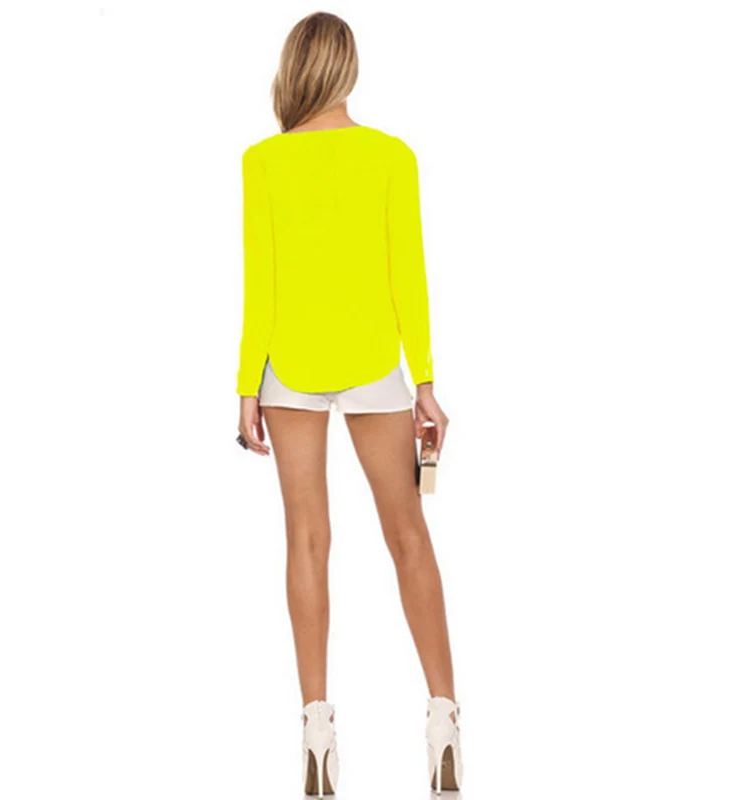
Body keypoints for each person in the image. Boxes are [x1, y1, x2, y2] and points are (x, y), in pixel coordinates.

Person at [235, 12, 462, 796]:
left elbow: (259, 283)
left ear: (296, 67)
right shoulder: (392, 156)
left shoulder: (263, 161)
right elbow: (410, 275)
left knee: (307, 540)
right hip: (373, 364)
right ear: (348, 68)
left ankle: (317, 734)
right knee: (408, 534)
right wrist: (424, 382)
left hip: (290, 366)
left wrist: (246, 386)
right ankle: (443, 721)